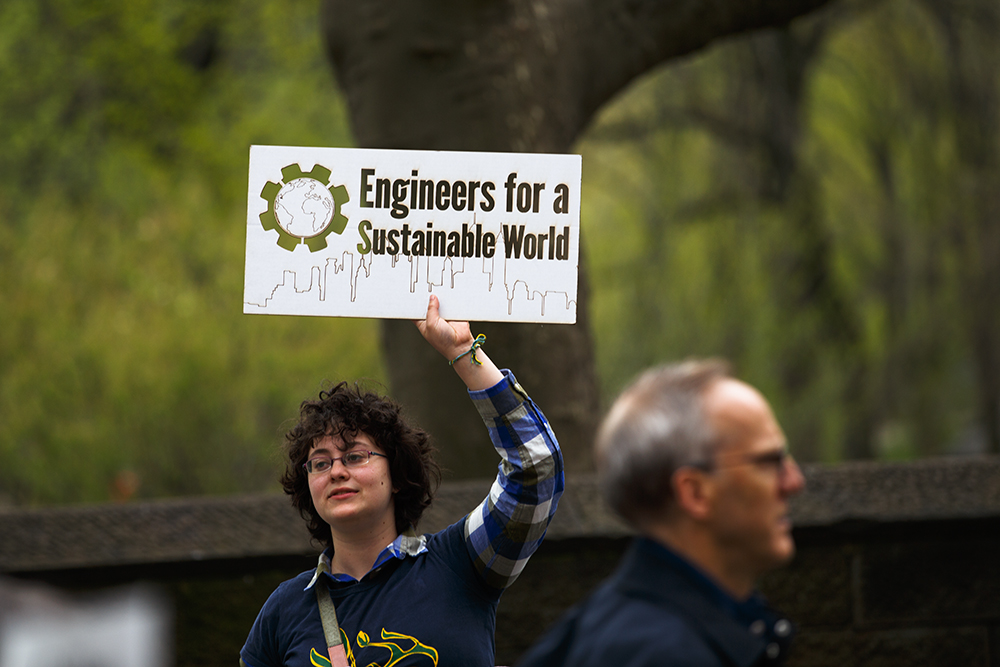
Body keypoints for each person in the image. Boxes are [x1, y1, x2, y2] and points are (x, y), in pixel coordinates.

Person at [240, 295, 564, 667]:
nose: (336, 471)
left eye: (355, 456)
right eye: (319, 463)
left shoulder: (462, 565)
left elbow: (536, 469)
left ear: (395, 474)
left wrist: (462, 353)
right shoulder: (283, 611)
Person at [517, 360, 805, 667]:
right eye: (768, 461)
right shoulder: (663, 654)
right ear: (694, 492)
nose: (793, 481)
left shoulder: (602, 631)